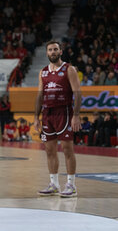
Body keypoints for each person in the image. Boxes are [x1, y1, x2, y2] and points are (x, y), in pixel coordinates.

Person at [34, 40, 81, 198]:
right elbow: (40, 95)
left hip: (65, 112)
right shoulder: (43, 72)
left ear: (61, 52)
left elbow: (78, 93)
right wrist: (36, 117)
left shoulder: (69, 69)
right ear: (46, 53)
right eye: (50, 50)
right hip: (47, 114)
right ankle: (54, 184)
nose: (53, 52)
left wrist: (76, 115)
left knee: (67, 149)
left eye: (55, 49)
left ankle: (71, 185)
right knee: (49, 150)